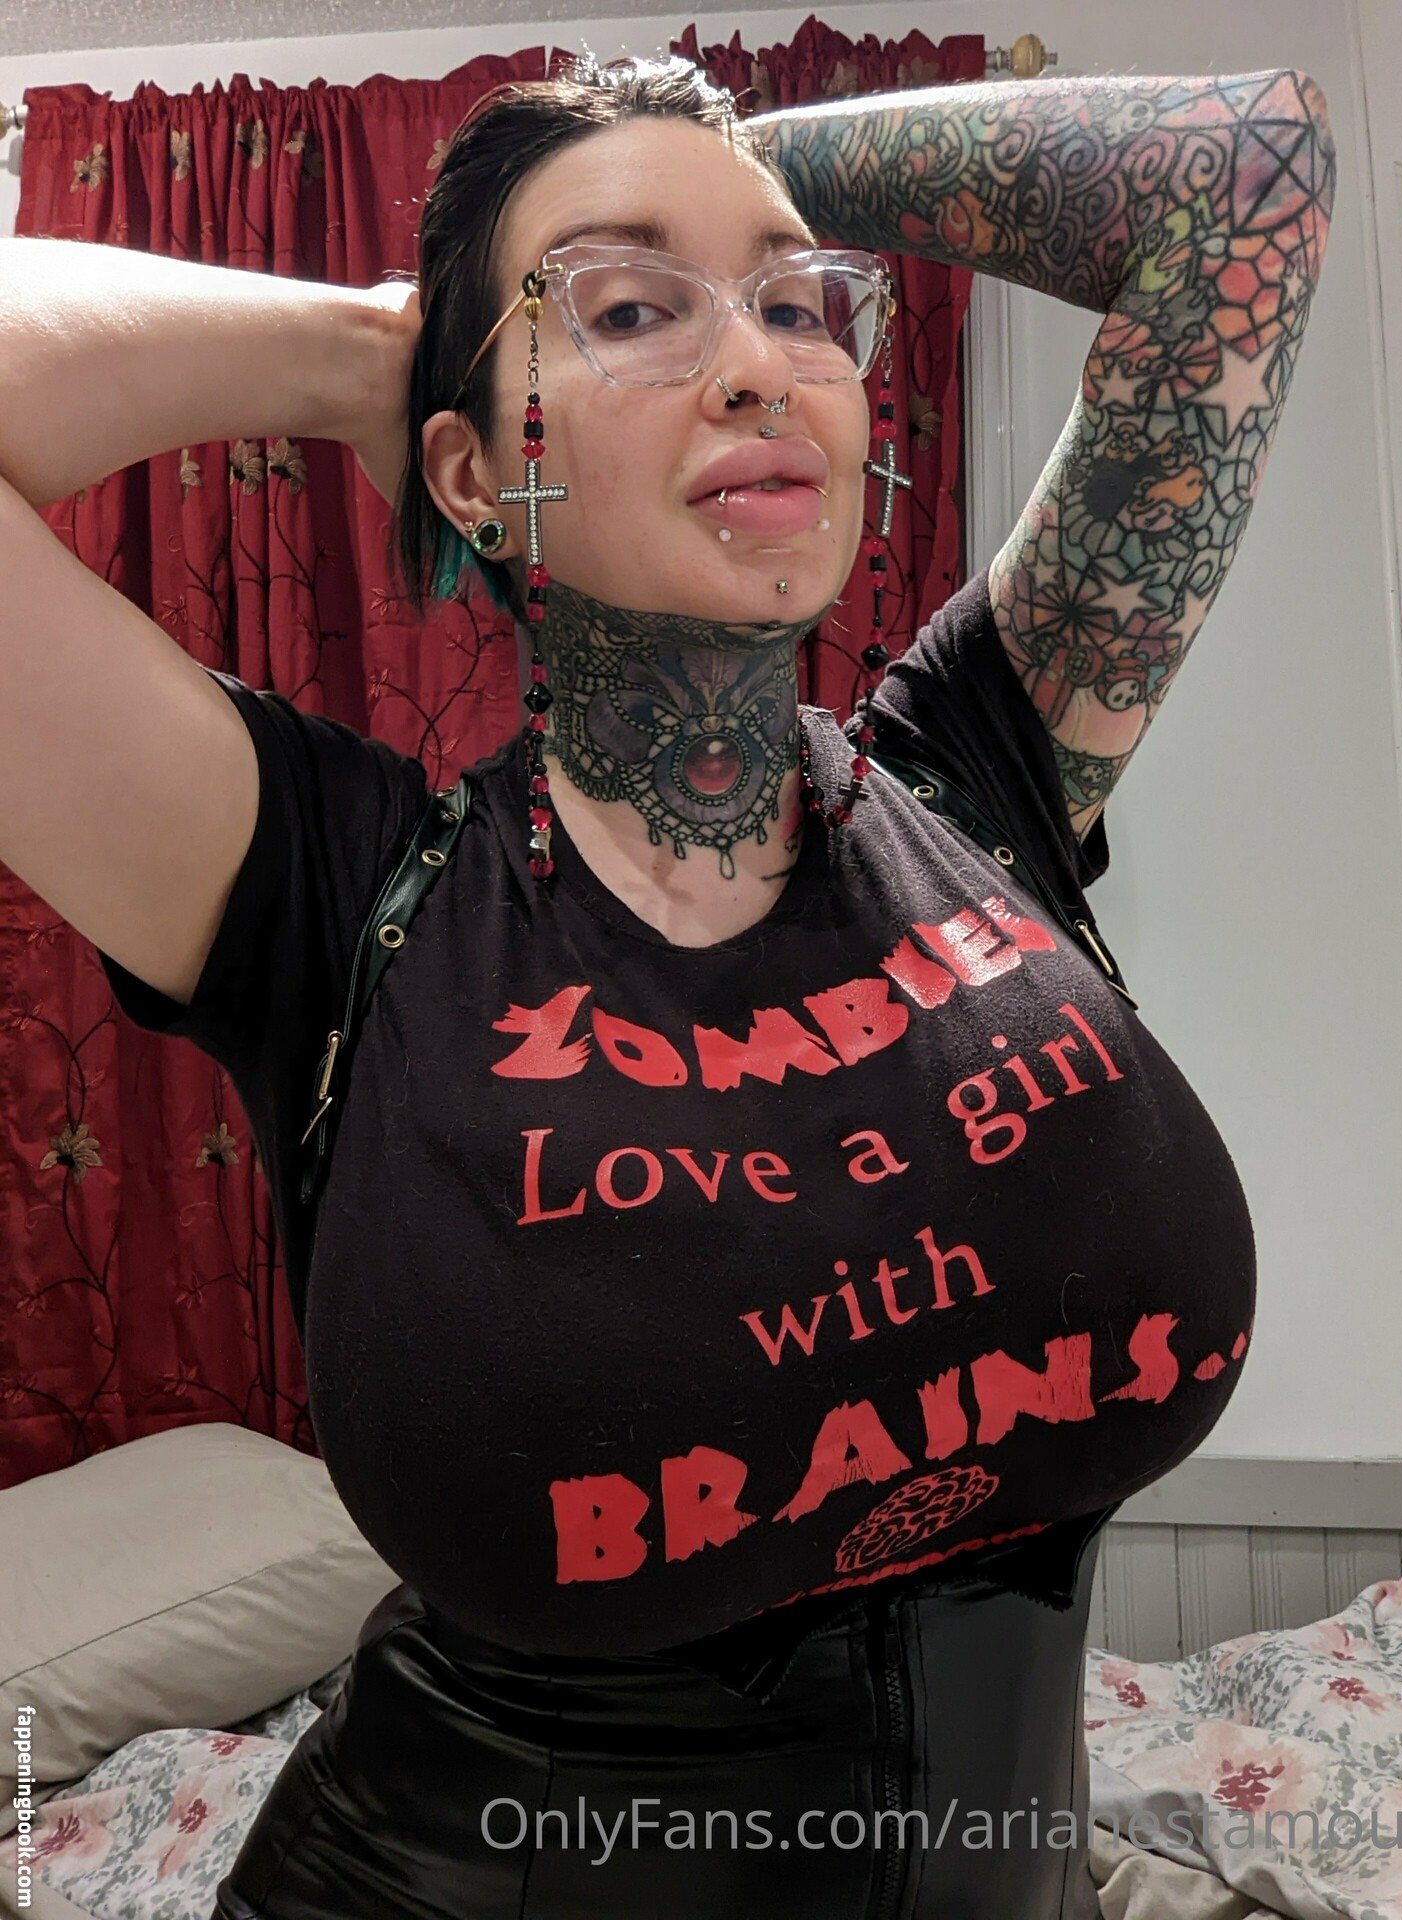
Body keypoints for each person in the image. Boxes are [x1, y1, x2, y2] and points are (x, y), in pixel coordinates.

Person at [0, 45, 1334, 1920]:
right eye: (630, 312)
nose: (757, 364)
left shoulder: (989, 773)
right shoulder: (334, 890)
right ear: (472, 469)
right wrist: (376, 339)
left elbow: (1246, 177)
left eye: (795, 309)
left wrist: (710, 175)